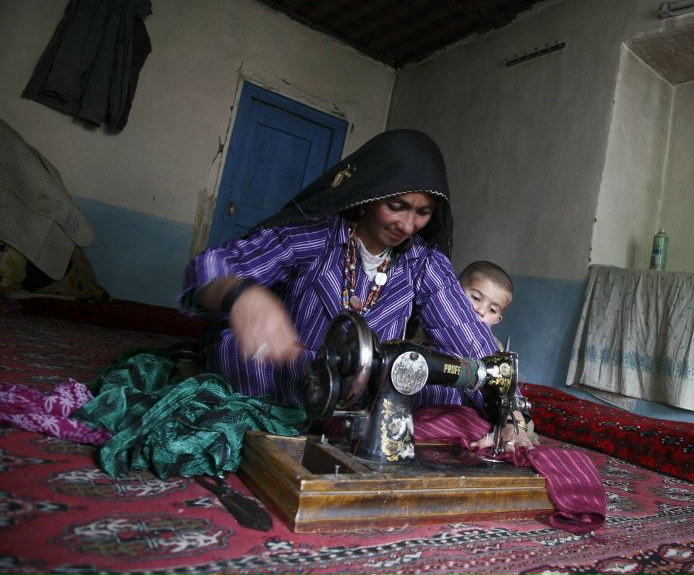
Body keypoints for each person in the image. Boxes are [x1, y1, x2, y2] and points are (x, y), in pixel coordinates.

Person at [180, 129, 532, 450]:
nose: (407, 225)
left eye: (423, 212)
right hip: (291, 377)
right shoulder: (315, 235)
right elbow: (209, 268)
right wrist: (240, 295)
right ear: (370, 192)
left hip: (363, 394)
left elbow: (465, 334)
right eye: (396, 206)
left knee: (444, 389)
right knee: (238, 352)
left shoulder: (423, 262)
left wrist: (512, 413)